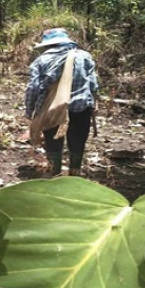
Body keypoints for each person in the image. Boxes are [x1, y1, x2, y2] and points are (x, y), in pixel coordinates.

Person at [24, 28, 99, 177]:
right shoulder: (85, 57)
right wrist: (95, 104)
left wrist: (29, 110)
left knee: (53, 140)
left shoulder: (41, 60)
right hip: (81, 106)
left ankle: (55, 173)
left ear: (48, 45)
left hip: (52, 107)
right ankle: (74, 172)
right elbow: (93, 84)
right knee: (78, 139)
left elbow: (33, 87)